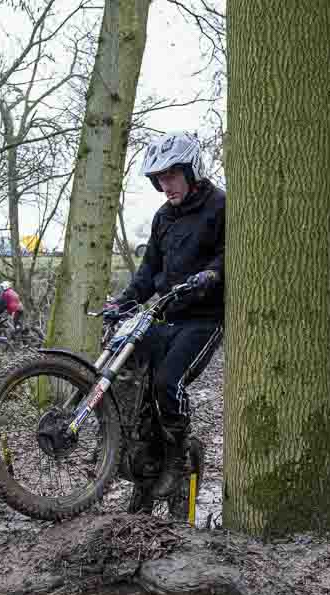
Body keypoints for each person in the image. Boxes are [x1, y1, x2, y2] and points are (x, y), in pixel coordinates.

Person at [107, 131, 225, 499]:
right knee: (133, 379)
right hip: (165, 314)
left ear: (191, 171)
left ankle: (179, 457)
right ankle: (138, 456)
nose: (165, 184)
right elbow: (148, 272)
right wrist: (122, 303)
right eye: (159, 178)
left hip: (204, 317)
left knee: (166, 382)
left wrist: (212, 274)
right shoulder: (163, 217)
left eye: (171, 175)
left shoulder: (220, 206)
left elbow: (230, 253)